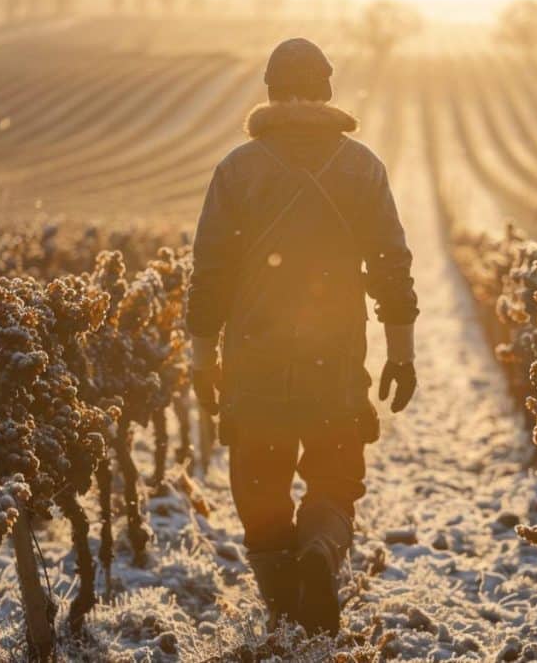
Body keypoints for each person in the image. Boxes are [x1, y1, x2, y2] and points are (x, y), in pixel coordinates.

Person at [185, 37, 419, 636]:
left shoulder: (236, 170)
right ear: (328, 92)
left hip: (253, 363)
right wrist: (401, 355)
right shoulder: (362, 167)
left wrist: (201, 357)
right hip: (335, 361)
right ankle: (318, 552)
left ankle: (283, 603)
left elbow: (208, 273)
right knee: (336, 478)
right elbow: (392, 266)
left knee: (258, 485)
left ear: (269, 92)